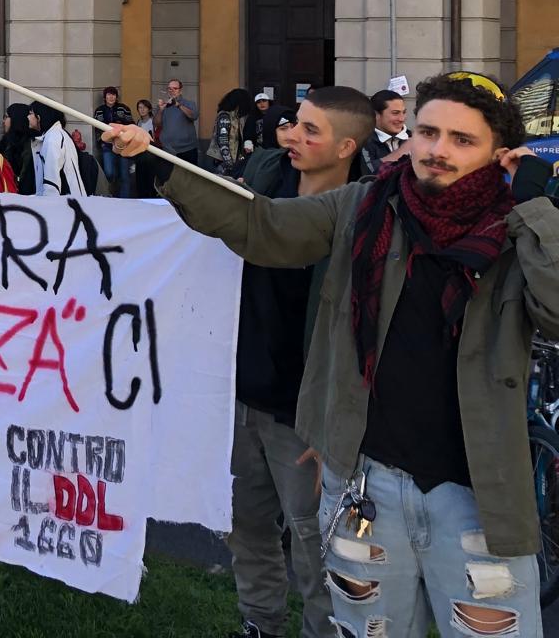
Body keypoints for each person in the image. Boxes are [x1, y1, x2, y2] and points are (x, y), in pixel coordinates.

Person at [104, 74, 559, 638]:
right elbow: (263, 228)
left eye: (462, 140)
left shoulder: (519, 230)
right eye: (428, 132)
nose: (438, 150)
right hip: (369, 489)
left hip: (477, 498)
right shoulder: (368, 204)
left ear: (499, 152)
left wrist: (535, 206)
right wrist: (160, 164)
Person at [226, 87, 372, 638]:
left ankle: (324, 630)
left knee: (316, 545)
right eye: (294, 124)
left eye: (312, 131)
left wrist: (335, 420)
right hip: (241, 399)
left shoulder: (364, 215)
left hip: (306, 418)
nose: (295, 137)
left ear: (346, 147)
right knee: (248, 529)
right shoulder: (264, 182)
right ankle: (259, 622)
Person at [29, 101, 87, 196]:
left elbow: (51, 181)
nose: (28, 117)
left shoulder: (53, 138)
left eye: (31, 113)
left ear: (39, 117)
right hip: (67, 201)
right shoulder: (55, 135)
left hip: (65, 203)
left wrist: (50, 205)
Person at [93, 87, 135, 197]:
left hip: (123, 146)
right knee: (109, 172)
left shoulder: (124, 108)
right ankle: (113, 194)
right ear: (105, 97)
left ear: (116, 97)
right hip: (107, 146)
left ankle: (124, 200)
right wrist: (101, 142)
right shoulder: (99, 110)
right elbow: (97, 128)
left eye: (113, 95)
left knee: (125, 175)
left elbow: (131, 125)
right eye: (109, 95)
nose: (111, 97)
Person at [207, 89, 257, 179]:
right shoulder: (225, 117)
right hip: (223, 163)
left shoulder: (236, 118)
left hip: (232, 162)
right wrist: (229, 164)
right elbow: (223, 142)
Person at [360, 89, 410, 178]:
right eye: (395, 113)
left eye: (404, 112)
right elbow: (367, 176)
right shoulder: (363, 140)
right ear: (376, 115)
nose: (402, 119)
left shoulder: (412, 137)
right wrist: (401, 152)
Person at [158, 77, 200, 164]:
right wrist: (161, 110)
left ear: (180, 90)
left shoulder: (189, 103)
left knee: (189, 176)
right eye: (169, 88)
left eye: (175, 88)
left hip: (187, 150)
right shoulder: (163, 105)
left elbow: (194, 116)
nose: (171, 91)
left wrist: (178, 105)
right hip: (167, 150)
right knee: (168, 177)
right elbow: (156, 123)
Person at [0, 103, 36, 195]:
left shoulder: (32, 144)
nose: (3, 121)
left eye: (6, 117)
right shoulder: (5, 143)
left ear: (16, 118)